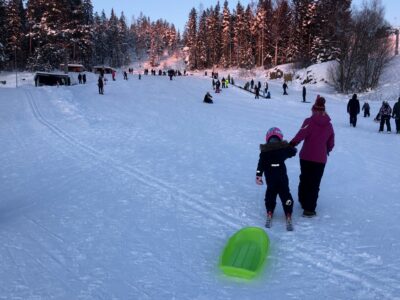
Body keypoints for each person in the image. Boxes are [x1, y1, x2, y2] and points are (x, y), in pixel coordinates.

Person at [290, 96, 335, 217]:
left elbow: (300, 135)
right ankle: (309, 209)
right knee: (315, 183)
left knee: (305, 178)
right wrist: (326, 150)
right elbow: (331, 143)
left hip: (306, 157)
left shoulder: (308, 122)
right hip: (320, 159)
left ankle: (303, 200)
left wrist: (291, 144)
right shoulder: (329, 126)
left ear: (314, 110)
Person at [256, 127, 297, 230]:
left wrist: (258, 175)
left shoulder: (265, 151)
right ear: (280, 138)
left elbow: (260, 165)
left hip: (270, 178)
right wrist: (289, 146)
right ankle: (288, 212)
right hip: (282, 177)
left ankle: (270, 210)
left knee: (270, 193)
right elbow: (293, 152)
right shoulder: (283, 149)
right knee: (285, 194)